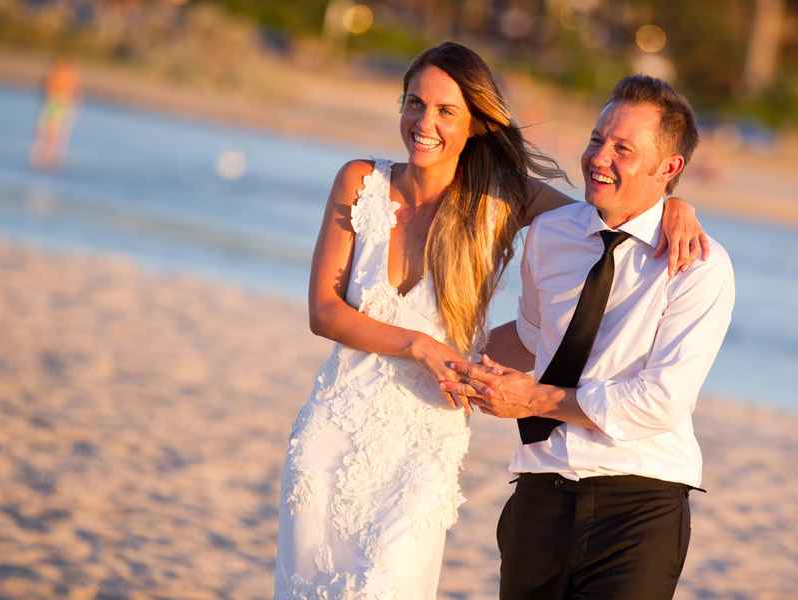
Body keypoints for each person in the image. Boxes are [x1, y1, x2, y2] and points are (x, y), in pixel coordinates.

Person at [273, 43, 710, 599]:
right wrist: (421, 347)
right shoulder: (360, 181)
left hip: (422, 436)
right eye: (414, 103)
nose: (423, 123)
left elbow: (609, 216)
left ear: (476, 122)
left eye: (445, 111)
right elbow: (325, 311)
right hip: (333, 426)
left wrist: (676, 205)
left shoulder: (501, 198)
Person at [444, 75, 736, 599]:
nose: (599, 157)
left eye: (623, 148)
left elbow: (660, 402)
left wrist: (532, 399)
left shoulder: (698, 267)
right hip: (538, 493)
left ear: (669, 168)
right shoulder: (549, 236)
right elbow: (536, 337)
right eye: (598, 139)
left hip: (638, 504)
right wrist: (446, 357)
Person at [30, 58, 81, 171]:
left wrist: (75, 106)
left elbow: (76, 91)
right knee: (48, 132)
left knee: (54, 133)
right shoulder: (56, 74)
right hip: (55, 102)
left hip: (60, 103)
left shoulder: (66, 75)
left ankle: (48, 157)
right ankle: (45, 157)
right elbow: (45, 87)